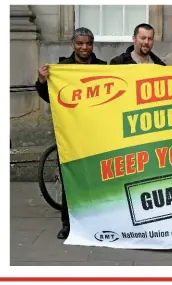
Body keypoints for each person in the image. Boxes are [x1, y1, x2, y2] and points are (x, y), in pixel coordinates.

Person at [35, 27, 107, 240]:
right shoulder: (62, 69)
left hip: (96, 133)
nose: (84, 47)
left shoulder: (103, 68)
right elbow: (49, 96)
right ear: (72, 45)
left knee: (97, 179)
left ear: (93, 45)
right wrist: (41, 81)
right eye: (80, 43)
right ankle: (68, 225)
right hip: (70, 134)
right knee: (71, 180)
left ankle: (97, 221)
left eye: (88, 44)